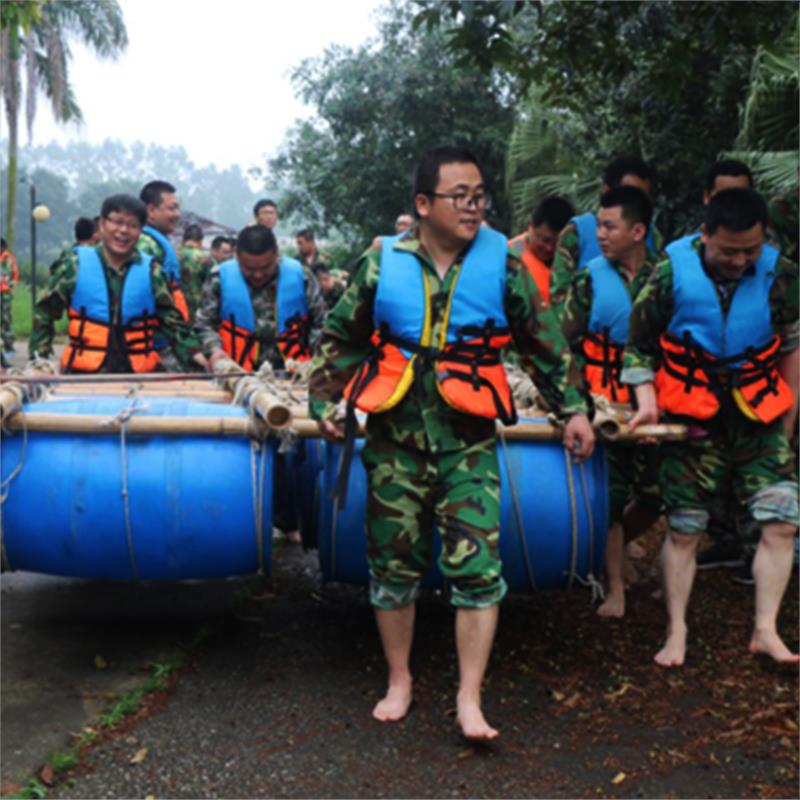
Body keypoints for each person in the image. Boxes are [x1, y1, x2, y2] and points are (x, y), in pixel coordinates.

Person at [309, 146, 594, 740]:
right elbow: (341, 338)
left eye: (479, 195)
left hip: (468, 439)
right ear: (422, 204)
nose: (473, 206)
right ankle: (400, 679)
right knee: (391, 565)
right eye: (459, 196)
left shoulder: (504, 264)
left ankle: (469, 697)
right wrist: (322, 403)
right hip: (394, 438)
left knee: (477, 569)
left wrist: (574, 411)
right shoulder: (381, 261)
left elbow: (544, 346)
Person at [623, 187, 799, 666]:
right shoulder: (669, 273)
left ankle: (766, 630)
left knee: (782, 521)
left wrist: (788, 419)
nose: (740, 261)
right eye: (728, 251)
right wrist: (645, 400)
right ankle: (676, 631)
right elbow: (638, 346)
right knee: (683, 529)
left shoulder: (781, 275)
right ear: (704, 237)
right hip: (691, 419)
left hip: (757, 417)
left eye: (750, 250)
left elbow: (790, 346)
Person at [561, 187, 662, 618]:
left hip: (655, 405)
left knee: (658, 494)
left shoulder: (666, 277)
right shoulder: (589, 278)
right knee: (610, 498)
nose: (599, 234)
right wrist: (574, 407)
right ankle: (614, 586)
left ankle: (616, 561)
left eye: (609, 226)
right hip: (603, 406)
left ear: (638, 231)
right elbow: (566, 346)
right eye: (598, 225)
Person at [195, 224, 327, 544]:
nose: (256, 275)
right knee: (240, 448)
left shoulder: (302, 277)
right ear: (237, 258)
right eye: (248, 268)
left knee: (291, 450)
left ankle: (291, 521)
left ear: (277, 257)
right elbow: (204, 324)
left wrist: (314, 362)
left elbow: (322, 323)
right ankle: (240, 523)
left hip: (290, 378)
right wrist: (216, 354)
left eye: (264, 268)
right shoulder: (219, 278)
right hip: (238, 378)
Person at [29, 194, 201, 374]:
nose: (123, 230)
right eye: (117, 222)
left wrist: (200, 358)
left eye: (132, 225)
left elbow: (174, 326)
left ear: (140, 230)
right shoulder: (74, 266)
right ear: (102, 224)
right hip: (82, 377)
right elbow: (44, 313)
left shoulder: (153, 272)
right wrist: (39, 360)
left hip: (139, 378)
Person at [549, 156, 663, 319]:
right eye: (629, 193)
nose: (637, 201)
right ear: (607, 190)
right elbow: (559, 296)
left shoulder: (653, 236)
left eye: (643, 195)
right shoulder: (576, 233)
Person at [509, 196, 575, 306]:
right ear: (531, 226)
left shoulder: (572, 259)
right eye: (545, 240)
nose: (549, 248)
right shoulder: (511, 255)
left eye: (556, 243)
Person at [137, 180, 189, 321]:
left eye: (178, 209)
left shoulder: (158, 242)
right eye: (172, 209)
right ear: (151, 211)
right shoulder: (144, 244)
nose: (177, 214)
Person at [179, 224, 214, 323]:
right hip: (198, 308)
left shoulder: (173, 254)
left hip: (177, 306)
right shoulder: (205, 258)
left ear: (184, 239)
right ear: (200, 240)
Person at [0, 238, 20, 366]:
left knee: (6, 320)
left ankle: (8, 346)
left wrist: (8, 286)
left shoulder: (8, 260)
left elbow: (10, 277)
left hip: (5, 295)